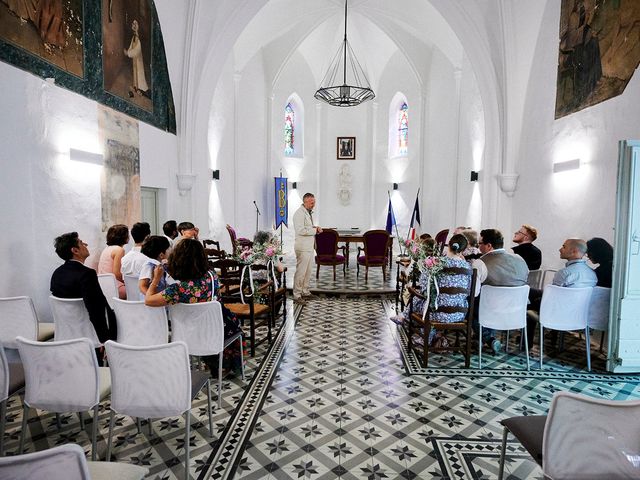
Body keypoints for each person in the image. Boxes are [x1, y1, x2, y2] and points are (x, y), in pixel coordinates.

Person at [144, 239, 243, 373]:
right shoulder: (211, 276)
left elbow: (148, 300)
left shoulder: (178, 290)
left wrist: (155, 280)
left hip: (189, 336)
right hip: (219, 330)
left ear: (177, 260)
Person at [401, 234, 473, 349]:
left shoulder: (434, 263)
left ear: (448, 245)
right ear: (463, 251)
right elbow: (469, 291)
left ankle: (419, 331)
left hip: (435, 313)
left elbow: (424, 289)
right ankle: (436, 336)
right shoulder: (469, 268)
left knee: (419, 299)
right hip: (459, 314)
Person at [50, 232, 117, 354]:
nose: (85, 244)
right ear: (75, 250)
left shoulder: (57, 273)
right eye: (81, 242)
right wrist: (105, 340)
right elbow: (96, 310)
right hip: (89, 338)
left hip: (66, 335)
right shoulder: (87, 274)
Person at [473, 228, 529, 353]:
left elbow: (474, 293)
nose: (478, 247)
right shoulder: (520, 259)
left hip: (490, 311)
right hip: (517, 310)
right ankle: (484, 338)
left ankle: (488, 338)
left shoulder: (480, 263)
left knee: (467, 305)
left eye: (480, 244)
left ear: (488, 246)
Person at [292, 193, 322, 305]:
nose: (313, 204)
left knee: (308, 271)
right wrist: (315, 231)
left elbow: (306, 227)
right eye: (311, 202)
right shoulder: (299, 214)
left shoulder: (307, 213)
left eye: (314, 202)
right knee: (301, 272)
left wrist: (315, 227)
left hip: (309, 247)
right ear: (305, 202)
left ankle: (305, 292)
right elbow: (300, 230)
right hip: (302, 248)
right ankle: (297, 295)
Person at [97, 224, 129, 299]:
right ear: (124, 237)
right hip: (115, 287)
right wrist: (127, 283)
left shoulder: (106, 249)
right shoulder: (119, 250)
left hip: (103, 287)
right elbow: (117, 274)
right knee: (140, 291)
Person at [123, 19, 149, 98]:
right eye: (133, 24)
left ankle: (142, 89)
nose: (133, 25)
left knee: (139, 73)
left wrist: (128, 53)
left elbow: (137, 50)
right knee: (135, 73)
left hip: (138, 60)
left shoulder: (138, 39)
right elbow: (131, 46)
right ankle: (136, 87)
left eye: (135, 24)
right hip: (134, 60)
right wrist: (128, 51)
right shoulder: (134, 37)